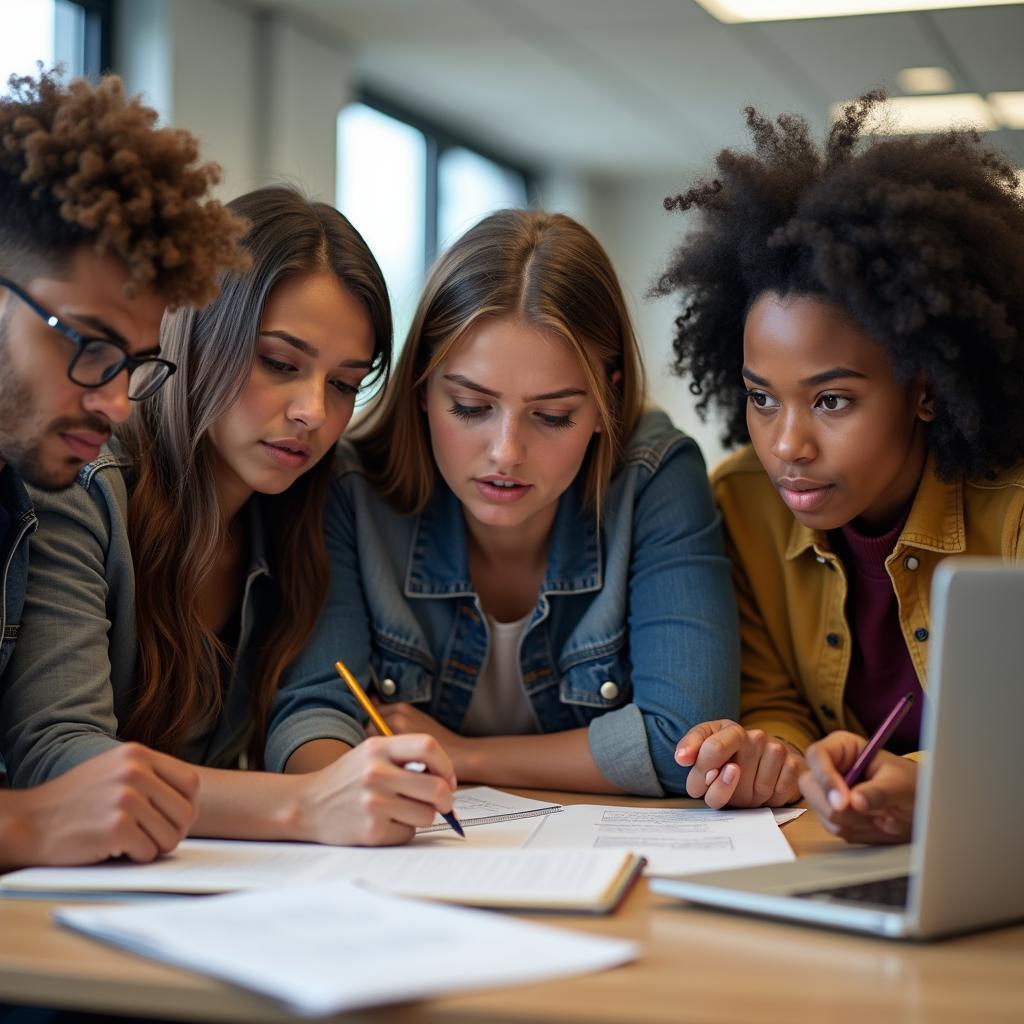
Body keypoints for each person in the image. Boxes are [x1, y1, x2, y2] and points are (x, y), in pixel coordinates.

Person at [0, 185, 459, 851]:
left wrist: (366, 784)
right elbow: (63, 759)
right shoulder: (82, 481)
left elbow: (312, 707)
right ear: (195, 333)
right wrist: (303, 804)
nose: (313, 412)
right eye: (280, 362)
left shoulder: (308, 503)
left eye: (342, 383)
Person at [655, 92, 1024, 840]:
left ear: (924, 389)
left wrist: (926, 787)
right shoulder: (742, 505)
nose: (787, 444)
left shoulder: (1012, 511)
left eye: (830, 402)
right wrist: (778, 753)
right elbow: (774, 699)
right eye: (762, 398)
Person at [279, 208, 740, 797]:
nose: (506, 453)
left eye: (553, 416)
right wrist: (340, 790)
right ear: (422, 385)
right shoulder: (350, 488)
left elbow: (687, 744)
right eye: (470, 407)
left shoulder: (654, 477)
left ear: (606, 402)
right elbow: (310, 719)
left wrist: (466, 756)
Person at [0, 69, 248, 869]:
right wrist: (25, 826)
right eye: (87, 344)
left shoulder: (20, 496)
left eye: (133, 364)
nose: (115, 404)